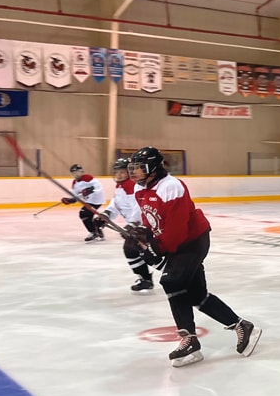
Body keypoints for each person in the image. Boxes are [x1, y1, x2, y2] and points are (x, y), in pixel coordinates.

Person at [125, 146, 261, 367]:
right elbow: (154, 220)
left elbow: (177, 228)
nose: (135, 172)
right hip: (177, 242)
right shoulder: (141, 191)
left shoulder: (171, 187)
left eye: (139, 168)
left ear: (153, 167)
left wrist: (156, 249)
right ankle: (242, 326)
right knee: (197, 295)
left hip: (192, 241)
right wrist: (146, 235)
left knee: (171, 281)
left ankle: (189, 340)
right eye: (134, 168)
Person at [93, 158, 155, 292]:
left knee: (135, 248)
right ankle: (145, 279)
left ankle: (151, 278)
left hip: (148, 224)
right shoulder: (121, 187)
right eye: (117, 172)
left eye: (122, 172)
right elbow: (116, 205)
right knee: (133, 249)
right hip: (137, 225)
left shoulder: (134, 186)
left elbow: (140, 207)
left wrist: (133, 224)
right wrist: (106, 215)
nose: (119, 175)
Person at [61, 163, 107, 242]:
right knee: (86, 215)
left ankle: (94, 232)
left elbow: (98, 187)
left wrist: (90, 190)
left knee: (84, 213)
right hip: (89, 201)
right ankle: (97, 229)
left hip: (96, 200)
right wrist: (69, 200)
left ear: (81, 171)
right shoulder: (75, 183)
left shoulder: (88, 178)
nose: (75, 174)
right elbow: (75, 196)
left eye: (77, 172)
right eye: (73, 173)